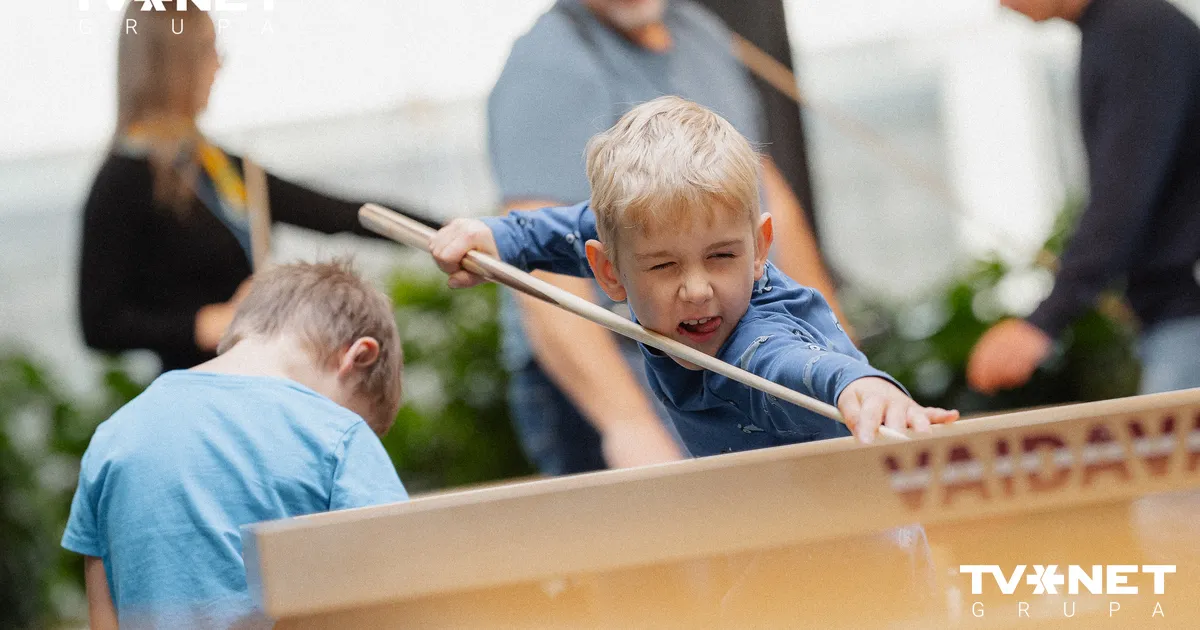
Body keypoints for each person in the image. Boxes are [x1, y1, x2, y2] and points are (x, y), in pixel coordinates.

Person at [434, 97, 958, 453]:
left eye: (722, 257)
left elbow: (796, 364)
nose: (698, 288)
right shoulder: (641, 232)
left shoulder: (758, 338)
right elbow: (571, 228)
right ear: (609, 272)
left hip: (851, 545)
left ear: (760, 248)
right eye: (663, 266)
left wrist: (856, 384)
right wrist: (496, 237)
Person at [488, 0, 843, 473]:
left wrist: (835, 341)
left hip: (726, 343)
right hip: (615, 359)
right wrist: (631, 428)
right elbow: (540, 272)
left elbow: (763, 193)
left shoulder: (702, 34)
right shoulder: (546, 62)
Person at [79, 3, 436, 373]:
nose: (219, 64)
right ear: (174, 64)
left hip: (254, 380)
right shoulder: (122, 180)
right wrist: (206, 323)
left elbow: (338, 214)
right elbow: (99, 323)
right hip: (197, 395)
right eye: (208, 48)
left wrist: (452, 234)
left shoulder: (217, 167)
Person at [61, 260, 408, 630]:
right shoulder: (339, 435)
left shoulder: (114, 436)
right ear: (358, 356)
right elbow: (406, 599)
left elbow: (104, 617)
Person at [968, 0, 1200, 395]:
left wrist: (1043, 322)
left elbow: (1124, 194)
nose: (1001, 4)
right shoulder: (1121, 27)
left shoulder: (1134, 28)